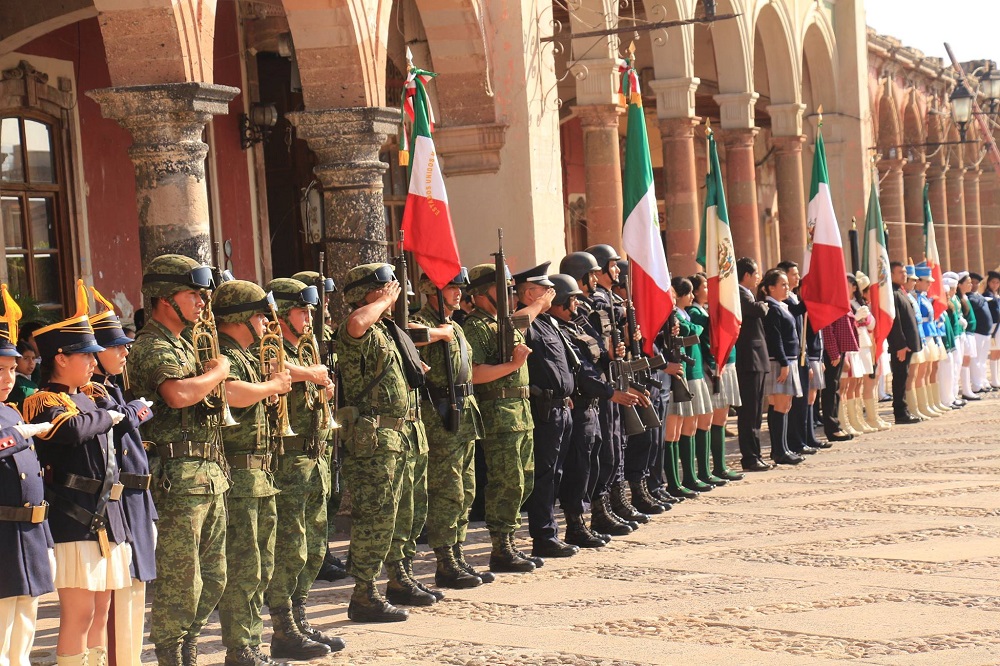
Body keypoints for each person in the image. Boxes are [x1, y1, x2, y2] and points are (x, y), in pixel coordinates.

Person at [127, 254, 231, 665]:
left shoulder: (183, 344)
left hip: (207, 473)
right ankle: (173, 653)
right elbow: (179, 395)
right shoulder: (152, 344)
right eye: (194, 294)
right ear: (164, 299)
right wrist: (219, 372)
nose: (203, 303)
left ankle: (187, 644)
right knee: (181, 581)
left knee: (215, 577)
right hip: (178, 477)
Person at [26, 280, 132, 666]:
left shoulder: (89, 397)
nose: (92, 361)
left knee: (101, 608)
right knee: (79, 611)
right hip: (72, 518)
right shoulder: (43, 400)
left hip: (105, 516)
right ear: (59, 358)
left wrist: (103, 412)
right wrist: (107, 415)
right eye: (83, 355)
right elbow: (68, 430)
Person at [262, 278, 344, 654]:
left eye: (310, 309)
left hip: (314, 456)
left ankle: (299, 617)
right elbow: (277, 370)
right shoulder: (272, 350)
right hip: (288, 461)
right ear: (280, 314)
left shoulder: (307, 347)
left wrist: (322, 388)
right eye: (300, 310)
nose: (309, 316)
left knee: (313, 546)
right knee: (290, 547)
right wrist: (311, 374)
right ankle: (282, 627)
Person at [336, 263, 417, 622]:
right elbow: (355, 324)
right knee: (374, 518)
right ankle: (364, 595)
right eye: (384, 289)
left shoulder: (385, 330)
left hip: (395, 436)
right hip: (374, 440)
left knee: (395, 516)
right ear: (365, 293)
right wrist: (383, 302)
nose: (392, 294)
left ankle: (388, 582)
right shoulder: (357, 327)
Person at [85, 287, 157, 666]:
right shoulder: (93, 392)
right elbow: (121, 422)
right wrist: (136, 411)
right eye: (117, 346)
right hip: (117, 503)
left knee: (133, 597)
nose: (125, 352)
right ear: (93, 353)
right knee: (115, 602)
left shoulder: (112, 387)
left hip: (136, 501)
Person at [410, 270, 491, 587]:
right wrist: (437, 335)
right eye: (451, 287)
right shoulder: (421, 321)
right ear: (431, 290)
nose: (459, 293)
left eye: (460, 288)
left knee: (466, 487)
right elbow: (409, 335)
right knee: (448, 489)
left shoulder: (456, 325)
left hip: (465, 412)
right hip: (440, 415)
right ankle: (445, 560)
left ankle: (457, 553)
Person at [547, 273, 640, 547]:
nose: (576, 305)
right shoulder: (559, 330)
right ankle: (575, 525)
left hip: (592, 405)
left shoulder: (577, 325)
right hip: (578, 406)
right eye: (572, 300)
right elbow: (583, 372)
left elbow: (596, 359)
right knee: (577, 469)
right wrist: (612, 392)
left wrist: (613, 354)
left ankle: (591, 517)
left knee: (594, 463)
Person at [462, 262, 544, 573]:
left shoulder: (502, 323)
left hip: (520, 413)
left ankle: (509, 541)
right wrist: (512, 366)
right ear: (482, 294)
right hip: (499, 414)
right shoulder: (476, 327)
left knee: (523, 480)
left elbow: (521, 320)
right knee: (506, 482)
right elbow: (475, 373)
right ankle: (501, 547)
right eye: (502, 288)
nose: (510, 293)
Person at [0, 284, 55, 666]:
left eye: (9, 368)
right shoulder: (12, 422)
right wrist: (13, 437)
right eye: (0, 369)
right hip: (2, 534)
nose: (8, 377)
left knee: (25, 626)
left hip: (28, 533)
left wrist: (45, 536)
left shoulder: (13, 411)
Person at [516, 262, 581, 559]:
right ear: (529, 293)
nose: (552, 295)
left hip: (560, 407)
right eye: (545, 290)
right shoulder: (524, 319)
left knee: (555, 473)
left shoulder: (545, 322)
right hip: (543, 410)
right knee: (543, 475)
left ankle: (551, 531)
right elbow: (513, 326)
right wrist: (539, 304)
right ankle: (543, 536)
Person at [584, 244, 649, 528]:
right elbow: (598, 345)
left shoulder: (610, 298)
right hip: (602, 380)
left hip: (615, 375)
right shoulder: (597, 301)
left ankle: (617, 499)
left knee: (617, 441)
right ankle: (603, 506)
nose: (616, 270)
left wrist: (628, 334)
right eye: (611, 266)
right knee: (608, 446)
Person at [687, 273, 744, 482]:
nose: (710, 291)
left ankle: (719, 465)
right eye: (705, 286)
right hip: (711, 369)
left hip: (725, 365)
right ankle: (705, 469)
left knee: (721, 418)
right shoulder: (695, 312)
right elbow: (714, 329)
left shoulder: (704, 310)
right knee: (708, 420)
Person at [664, 276, 718, 492]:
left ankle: (694, 475)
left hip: (692, 372)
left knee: (691, 425)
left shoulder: (684, 313)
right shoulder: (676, 314)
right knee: (675, 429)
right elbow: (692, 330)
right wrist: (693, 328)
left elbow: (694, 329)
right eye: (689, 293)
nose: (693, 296)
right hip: (681, 373)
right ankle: (677, 481)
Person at [758, 269, 804, 465]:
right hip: (780, 361)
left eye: (787, 284)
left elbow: (801, 309)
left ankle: (784, 447)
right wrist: (784, 362)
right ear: (770, 288)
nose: (787, 288)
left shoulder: (783, 305)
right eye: (782, 285)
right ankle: (778, 450)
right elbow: (775, 338)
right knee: (779, 404)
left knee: (786, 405)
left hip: (790, 359)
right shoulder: (772, 308)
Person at [734, 258, 771, 471]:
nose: (758, 277)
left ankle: (756, 453)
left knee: (756, 411)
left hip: (757, 358)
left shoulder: (748, 294)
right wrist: (763, 304)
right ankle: (749, 456)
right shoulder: (739, 294)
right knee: (748, 411)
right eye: (756, 273)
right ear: (746, 275)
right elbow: (757, 310)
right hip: (748, 359)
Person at [888, 261, 922, 424]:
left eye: (904, 272)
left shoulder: (901, 292)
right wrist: (900, 344)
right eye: (900, 272)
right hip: (901, 346)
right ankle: (901, 413)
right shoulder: (893, 293)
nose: (904, 274)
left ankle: (904, 410)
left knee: (904, 376)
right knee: (900, 378)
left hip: (907, 344)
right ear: (892, 274)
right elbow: (896, 322)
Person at [968, 272, 993, 393]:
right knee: (976, 360)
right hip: (977, 332)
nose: (974, 285)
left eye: (976, 283)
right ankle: (976, 384)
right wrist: (982, 299)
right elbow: (974, 303)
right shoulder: (969, 296)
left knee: (982, 360)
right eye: (972, 282)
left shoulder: (978, 296)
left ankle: (983, 381)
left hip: (985, 333)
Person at [10, 339, 38, 409]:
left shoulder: (31, 377)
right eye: (26, 358)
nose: (31, 362)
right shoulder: (16, 381)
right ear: (15, 359)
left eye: (33, 358)